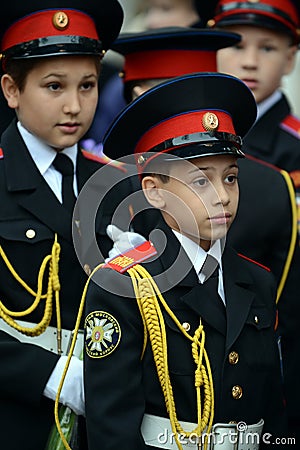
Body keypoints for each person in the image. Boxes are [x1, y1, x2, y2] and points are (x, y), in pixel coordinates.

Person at [84, 72, 287, 450]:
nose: (221, 197)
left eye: (230, 178)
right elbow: (112, 431)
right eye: (199, 182)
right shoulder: (124, 288)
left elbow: (273, 417)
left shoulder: (257, 281)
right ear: (155, 193)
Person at [0, 1, 125, 449]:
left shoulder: (117, 186)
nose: (74, 106)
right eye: (54, 86)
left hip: (104, 419)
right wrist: (50, 374)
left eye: (88, 85)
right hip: (14, 416)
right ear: (12, 90)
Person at [209, 0, 300, 221]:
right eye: (237, 46)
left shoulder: (295, 147)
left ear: (289, 59)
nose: (250, 62)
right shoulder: (194, 126)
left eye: (267, 48)